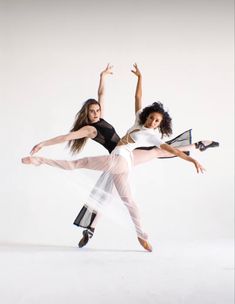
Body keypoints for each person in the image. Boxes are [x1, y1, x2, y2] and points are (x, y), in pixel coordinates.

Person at [22, 64, 219, 251]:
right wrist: (44, 143)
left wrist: (192, 160)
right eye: (151, 118)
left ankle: (38, 162)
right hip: (124, 161)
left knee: (82, 164)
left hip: (121, 159)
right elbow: (137, 98)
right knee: (128, 199)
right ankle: (141, 236)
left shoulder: (146, 132)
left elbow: (103, 96)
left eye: (156, 121)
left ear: (159, 124)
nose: (152, 121)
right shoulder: (104, 126)